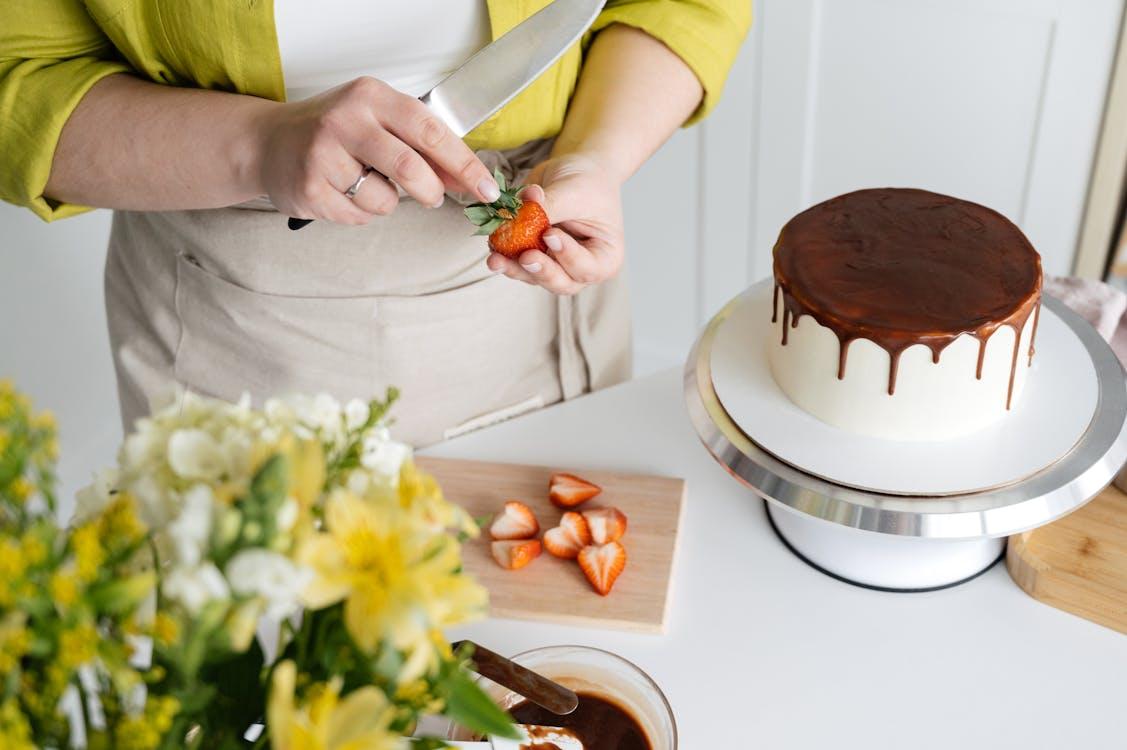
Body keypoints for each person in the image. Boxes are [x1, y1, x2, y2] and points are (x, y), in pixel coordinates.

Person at [0, 1, 751, 446]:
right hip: (232, 329)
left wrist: (595, 158)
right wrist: (260, 146)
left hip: (536, 284)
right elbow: (18, 80)